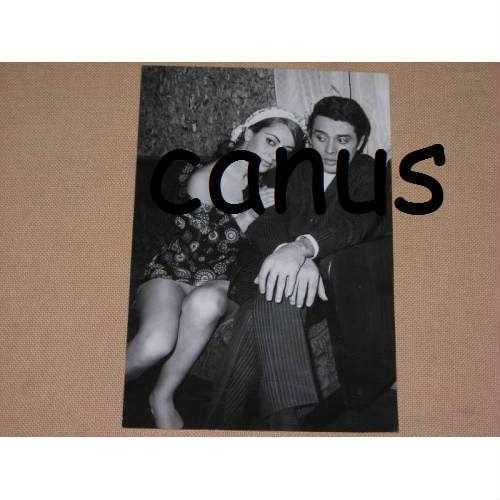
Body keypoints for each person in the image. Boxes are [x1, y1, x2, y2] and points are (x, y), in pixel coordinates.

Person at [208, 96, 389, 430]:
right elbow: (268, 222)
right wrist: (288, 252)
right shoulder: (296, 169)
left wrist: (304, 248)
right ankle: (280, 423)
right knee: (270, 299)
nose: (330, 150)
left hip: (334, 285)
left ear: (361, 141)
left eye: (343, 140)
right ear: (310, 135)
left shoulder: (370, 173)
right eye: (320, 137)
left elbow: (354, 224)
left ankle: (229, 427)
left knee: (273, 295)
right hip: (278, 276)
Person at [125, 108, 307, 429]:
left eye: (284, 150)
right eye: (270, 141)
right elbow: (202, 245)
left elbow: (263, 241)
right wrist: (250, 216)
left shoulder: (261, 181)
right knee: (156, 343)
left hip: (220, 281)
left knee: (207, 303)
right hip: (173, 272)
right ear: (248, 133)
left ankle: (161, 396)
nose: (274, 155)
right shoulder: (204, 178)